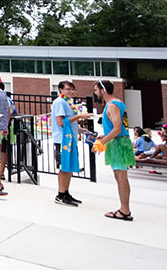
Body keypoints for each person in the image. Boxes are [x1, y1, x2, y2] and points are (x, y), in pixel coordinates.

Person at [95, 80, 134, 220]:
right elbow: (118, 128)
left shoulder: (111, 106)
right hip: (118, 142)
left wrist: (101, 143)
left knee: (121, 178)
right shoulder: (118, 103)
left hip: (118, 144)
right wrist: (105, 135)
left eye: (96, 90)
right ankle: (124, 209)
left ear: (103, 90)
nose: (95, 93)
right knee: (120, 177)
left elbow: (117, 129)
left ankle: (125, 210)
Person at [51, 81, 91, 206]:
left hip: (70, 139)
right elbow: (61, 122)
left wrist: (79, 129)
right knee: (64, 167)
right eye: (68, 89)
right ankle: (60, 194)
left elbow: (69, 122)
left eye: (72, 89)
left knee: (69, 167)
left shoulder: (67, 103)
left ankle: (66, 192)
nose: (71, 92)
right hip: (62, 140)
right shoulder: (59, 102)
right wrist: (79, 116)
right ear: (61, 90)